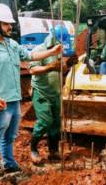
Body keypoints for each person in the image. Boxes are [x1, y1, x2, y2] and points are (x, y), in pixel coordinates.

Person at [0, 3, 62, 185]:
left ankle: (9, 163)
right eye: (7, 24)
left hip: (14, 101)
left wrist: (52, 51)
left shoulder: (11, 44)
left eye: (11, 24)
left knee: (9, 137)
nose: (11, 27)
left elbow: (30, 57)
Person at [29, 33, 77, 164]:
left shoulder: (58, 51)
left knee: (56, 123)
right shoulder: (39, 50)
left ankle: (53, 151)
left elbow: (59, 68)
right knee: (45, 121)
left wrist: (68, 64)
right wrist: (49, 67)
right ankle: (33, 149)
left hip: (55, 92)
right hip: (41, 92)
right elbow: (33, 70)